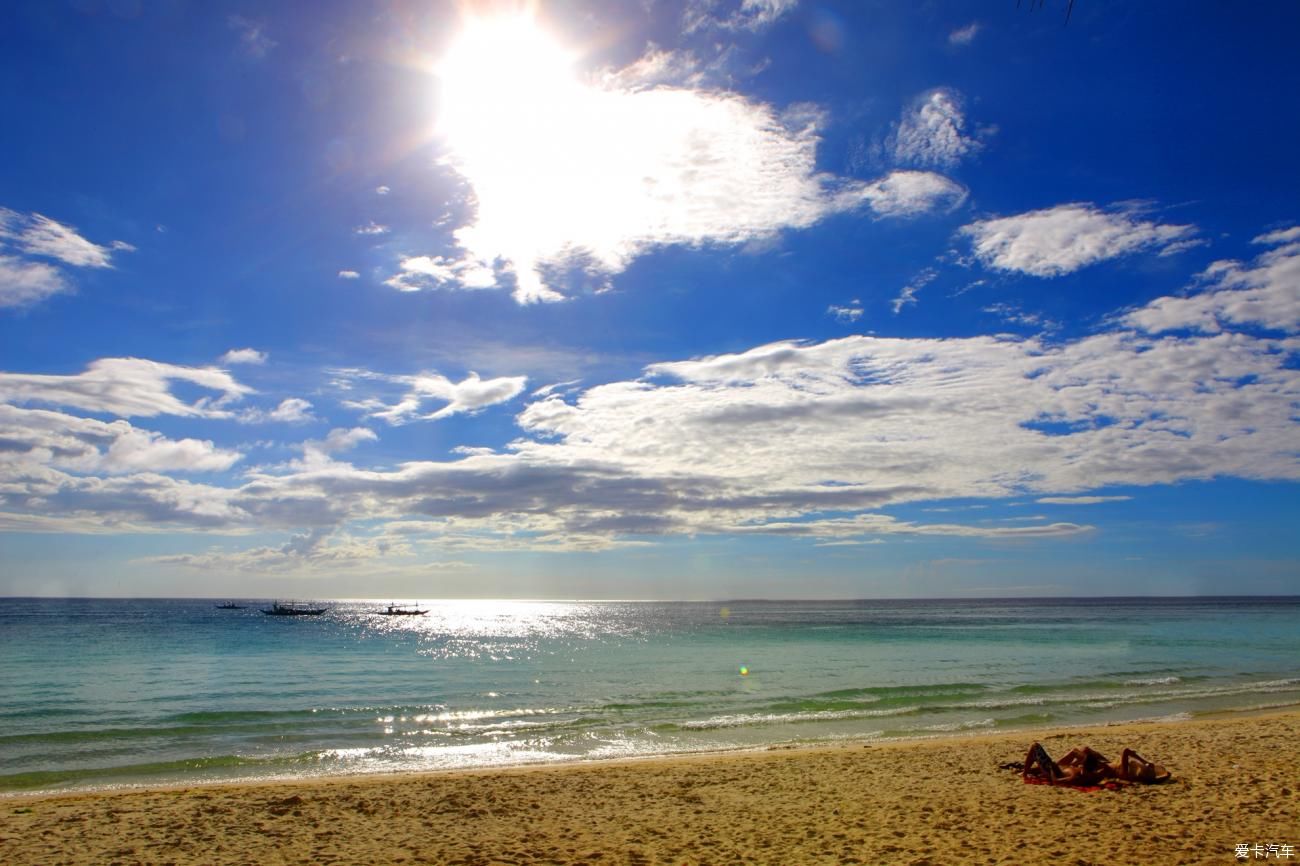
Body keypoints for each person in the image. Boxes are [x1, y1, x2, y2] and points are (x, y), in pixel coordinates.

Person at [1022, 742, 1170, 786]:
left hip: (1054, 769)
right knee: (1079, 751)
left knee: (1035, 746)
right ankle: (1033, 770)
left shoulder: (1121, 772)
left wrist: (1146, 762)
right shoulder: (1100, 773)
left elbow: (1057, 781)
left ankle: (1024, 773)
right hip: (1062, 768)